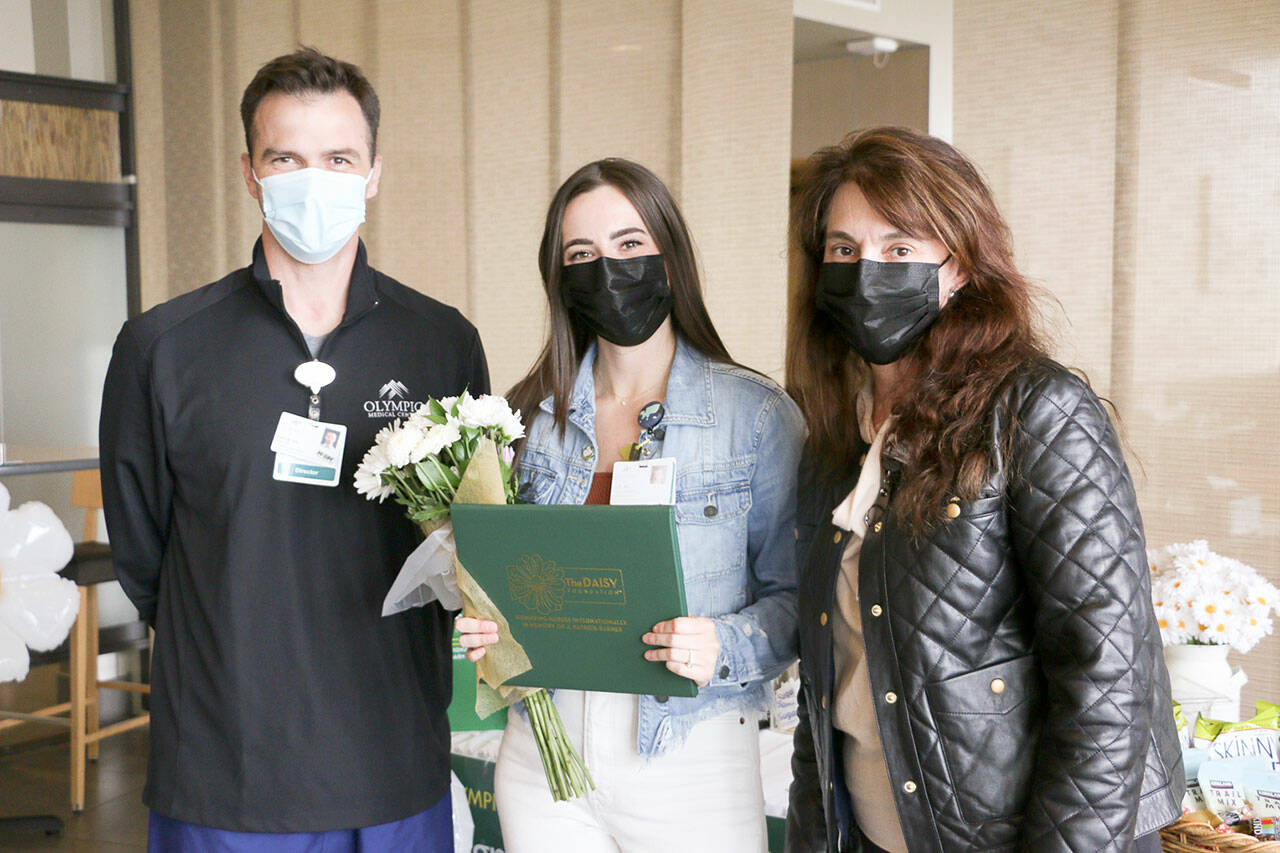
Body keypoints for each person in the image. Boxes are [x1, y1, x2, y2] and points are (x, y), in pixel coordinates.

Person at [100, 48, 488, 850]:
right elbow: (146, 561)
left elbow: (470, 536)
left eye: (338, 158)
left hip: (393, 766)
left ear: (374, 172)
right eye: (287, 158)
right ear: (251, 172)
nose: (315, 180)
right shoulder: (162, 347)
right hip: (226, 773)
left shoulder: (441, 343)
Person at [784, 127, 1182, 853]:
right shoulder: (834, 440)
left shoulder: (1035, 410)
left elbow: (1110, 678)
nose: (867, 270)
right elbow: (826, 681)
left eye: (899, 248)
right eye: (844, 250)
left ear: (960, 263)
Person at [458, 158, 804, 851]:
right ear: (560, 279)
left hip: (693, 758)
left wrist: (724, 644)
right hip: (543, 764)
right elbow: (509, 585)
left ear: (669, 258)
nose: (606, 269)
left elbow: (798, 600)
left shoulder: (757, 417)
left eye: (627, 245)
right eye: (581, 254)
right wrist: (488, 628)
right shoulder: (523, 419)